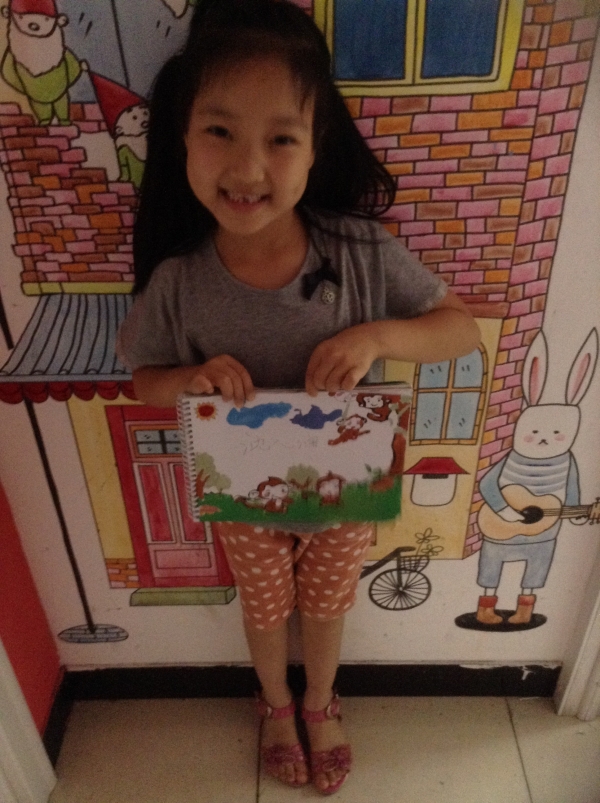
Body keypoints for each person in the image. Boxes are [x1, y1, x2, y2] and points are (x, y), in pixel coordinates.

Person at [117, 0, 481, 794]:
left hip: (345, 490)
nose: (249, 170)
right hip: (244, 494)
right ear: (182, 135)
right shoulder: (179, 281)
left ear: (317, 146)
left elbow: (460, 331)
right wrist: (190, 380)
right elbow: (143, 380)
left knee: (326, 602)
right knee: (262, 603)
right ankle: (275, 703)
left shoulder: (360, 251)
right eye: (220, 131)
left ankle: (320, 700)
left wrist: (377, 337)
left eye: (281, 138)